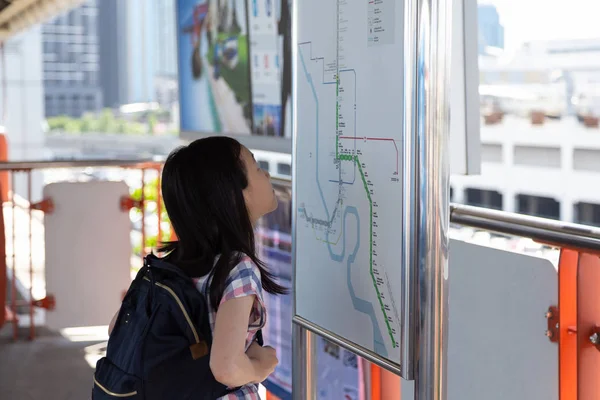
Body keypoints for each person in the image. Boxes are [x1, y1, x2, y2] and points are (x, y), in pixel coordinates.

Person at [108, 136, 286, 399]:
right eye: (257, 167)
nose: (267, 174)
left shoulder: (166, 265)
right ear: (232, 195)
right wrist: (261, 366)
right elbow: (226, 368)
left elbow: (116, 329)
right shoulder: (238, 269)